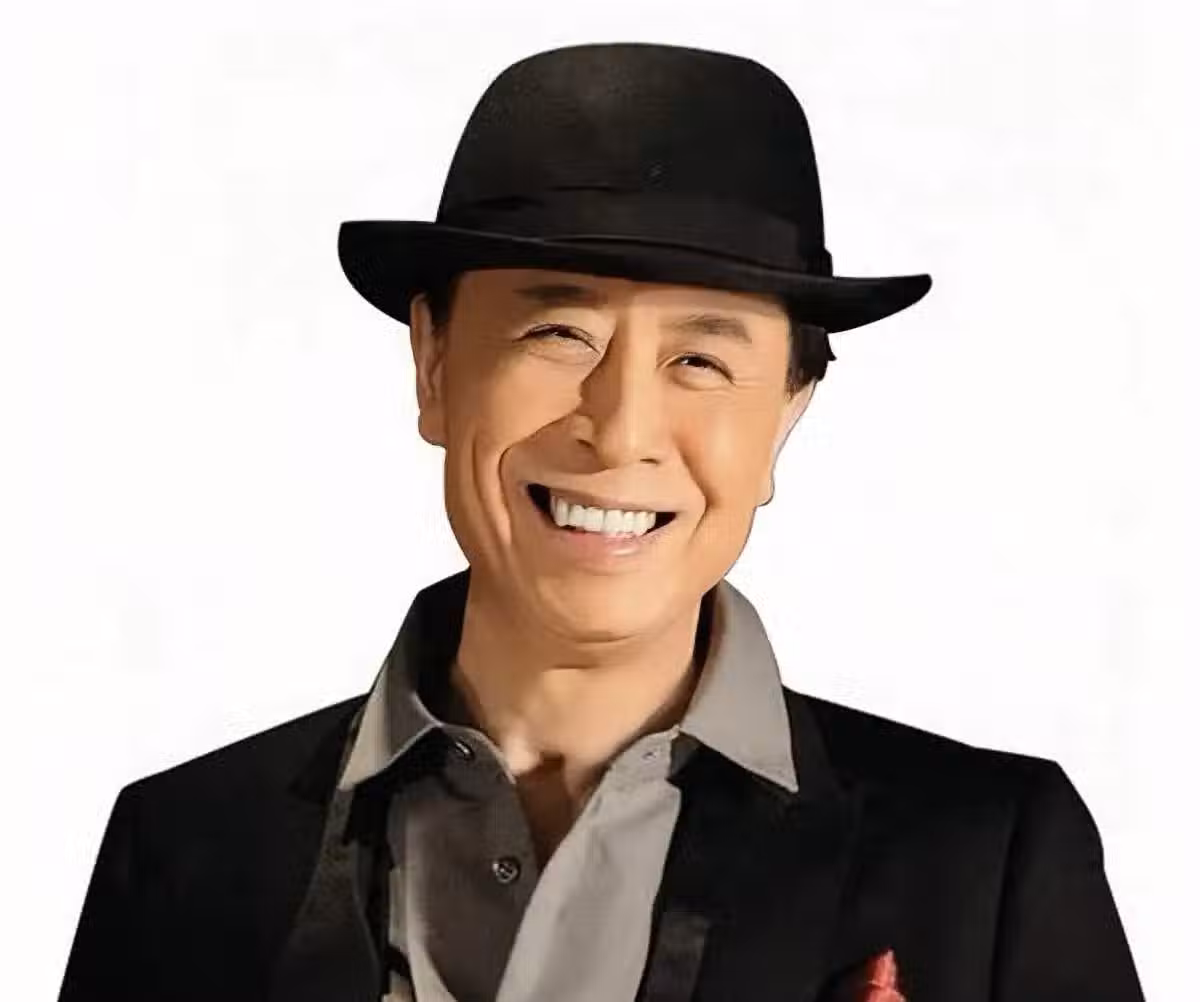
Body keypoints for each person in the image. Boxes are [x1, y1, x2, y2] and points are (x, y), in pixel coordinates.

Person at [58, 42, 1144, 1002]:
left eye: (701, 359)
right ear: (433, 365)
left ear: (786, 414)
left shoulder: (984, 860)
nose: (620, 429)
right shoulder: (187, 851)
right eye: (558, 336)